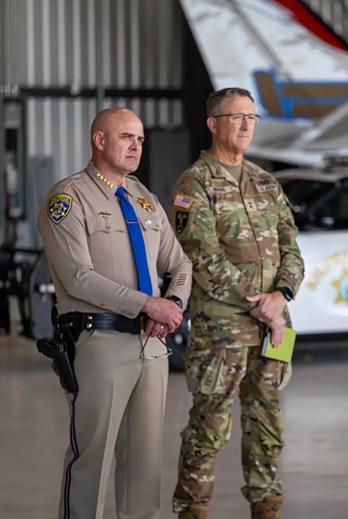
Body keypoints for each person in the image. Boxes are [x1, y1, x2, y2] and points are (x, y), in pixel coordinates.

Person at [37, 107, 193, 519]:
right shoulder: (68, 198)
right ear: (99, 141)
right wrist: (147, 303)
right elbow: (78, 278)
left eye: (140, 139)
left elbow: (180, 264)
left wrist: (172, 304)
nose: (136, 146)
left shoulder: (144, 198)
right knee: (92, 458)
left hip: (151, 344)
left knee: (144, 463)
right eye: (126, 137)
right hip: (99, 342)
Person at [171, 87, 305, 519]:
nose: (247, 125)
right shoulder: (194, 183)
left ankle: (266, 506)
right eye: (237, 117)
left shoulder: (266, 182)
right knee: (209, 425)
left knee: (269, 423)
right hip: (222, 331)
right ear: (213, 124)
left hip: (273, 327)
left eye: (252, 117)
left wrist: (280, 296)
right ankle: (192, 507)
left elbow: (293, 250)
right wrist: (259, 303)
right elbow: (203, 258)